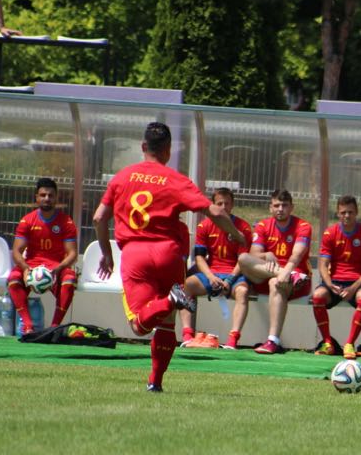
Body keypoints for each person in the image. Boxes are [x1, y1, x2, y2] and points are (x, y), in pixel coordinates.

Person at [93, 122, 247, 393]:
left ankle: (168, 301)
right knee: (166, 323)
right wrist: (236, 234)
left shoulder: (122, 177)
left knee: (139, 324)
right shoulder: (176, 180)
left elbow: (98, 217)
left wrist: (106, 253)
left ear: (143, 147)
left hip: (135, 254)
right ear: (168, 151)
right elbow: (215, 212)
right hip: (169, 254)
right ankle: (155, 382)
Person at [178, 188, 255, 350]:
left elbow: (243, 260)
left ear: (232, 205)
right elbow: (199, 257)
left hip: (234, 275)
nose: (223, 207)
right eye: (219, 203)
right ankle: (187, 336)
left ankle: (233, 340)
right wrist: (211, 277)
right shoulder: (204, 225)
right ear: (213, 205)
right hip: (211, 273)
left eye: (227, 203)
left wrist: (230, 280)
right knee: (187, 286)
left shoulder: (243, 227)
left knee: (243, 292)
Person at [246, 189, 312, 355]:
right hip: (268, 273)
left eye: (284, 205)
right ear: (270, 208)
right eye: (276, 205)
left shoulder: (303, 226)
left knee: (275, 283)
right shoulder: (262, 225)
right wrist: (265, 254)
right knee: (242, 259)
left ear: (292, 207)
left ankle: (272, 341)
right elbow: (254, 255)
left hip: (297, 281)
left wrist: (286, 272)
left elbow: (297, 255)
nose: (280, 209)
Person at [7, 177, 78, 333]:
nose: (47, 199)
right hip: (32, 265)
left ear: (56, 198)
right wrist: (25, 268)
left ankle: (54, 326)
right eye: (43, 195)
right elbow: (17, 251)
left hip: (56, 266)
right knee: (13, 279)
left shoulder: (66, 222)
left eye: (50, 195)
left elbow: (73, 254)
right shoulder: (27, 221)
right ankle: (28, 326)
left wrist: (59, 268)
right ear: (37, 197)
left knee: (70, 280)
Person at [312, 195, 361, 360]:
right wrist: (329, 284)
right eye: (343, 212)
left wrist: (353, 288)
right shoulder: (330, 233)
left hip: (356, 283)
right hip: (334, 283)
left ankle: (349, 344)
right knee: (317, 296)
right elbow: (323, 265)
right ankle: (328, 343)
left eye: (350, 212)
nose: (347, 216)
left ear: (356, 213)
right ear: (338, 213)